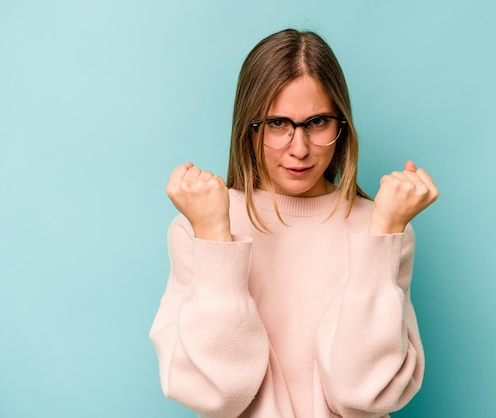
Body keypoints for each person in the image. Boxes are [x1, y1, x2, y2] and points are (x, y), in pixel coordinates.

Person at [149, 28, 438, 418]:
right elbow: (219, 393)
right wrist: (216, 238)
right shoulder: (199, 225)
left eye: (317, 122)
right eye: (277, 124)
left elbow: (362, 393)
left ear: (342, 125)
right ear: (248, 129)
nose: (299, 149)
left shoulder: (383, 228)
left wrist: (384, 234)